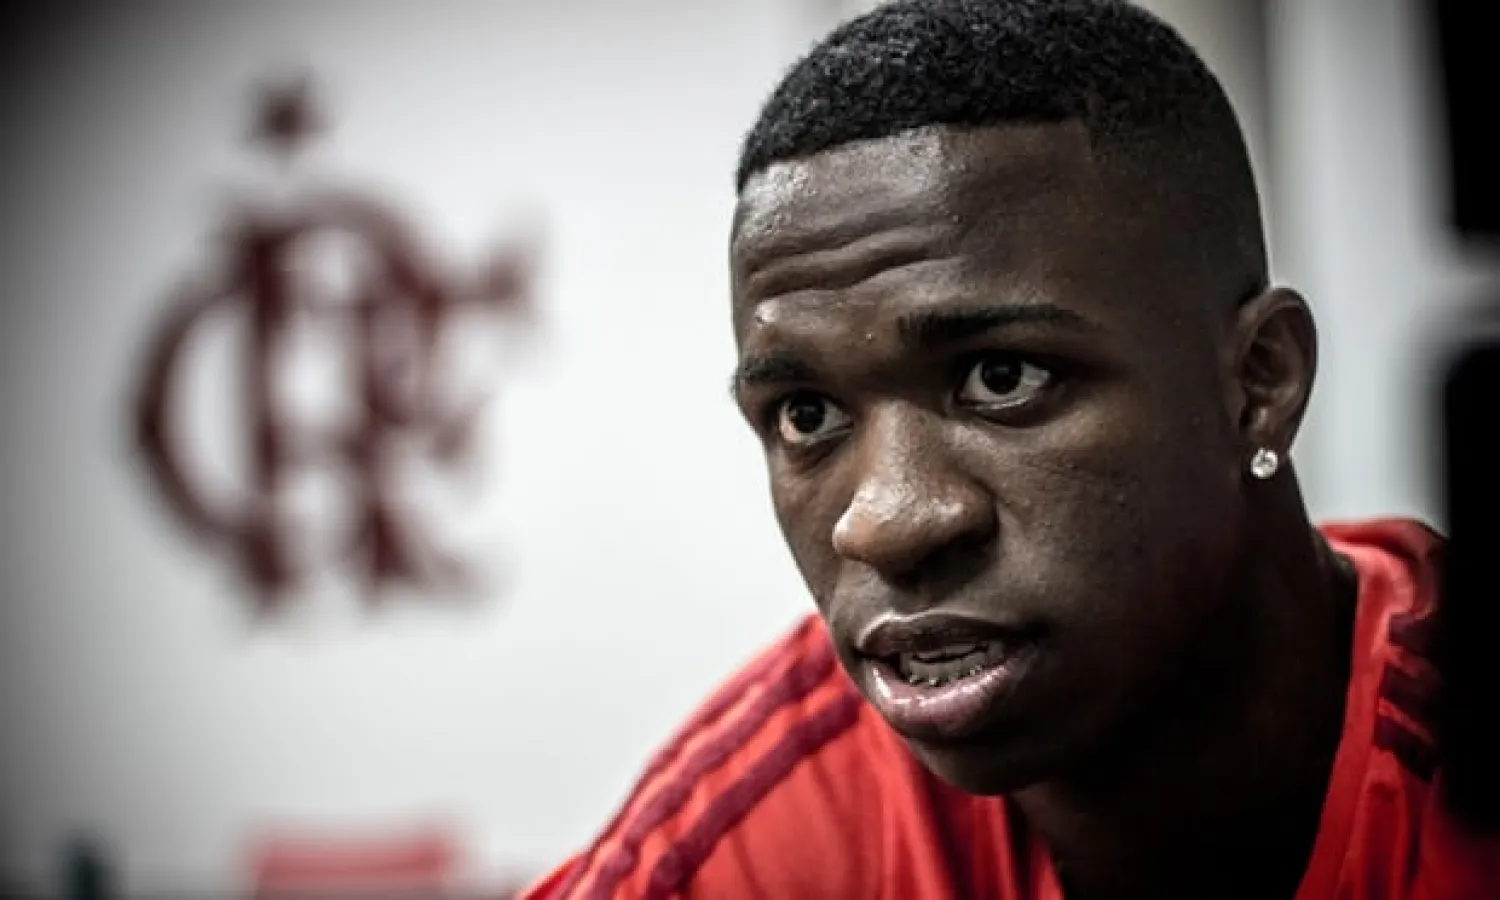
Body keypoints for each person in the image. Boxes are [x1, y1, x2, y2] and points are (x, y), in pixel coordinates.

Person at [522, 1, 1500, 897]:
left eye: (1002, 377)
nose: (885, 523)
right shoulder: (771, 831)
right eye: (807, 414)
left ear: (1260, 381)